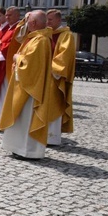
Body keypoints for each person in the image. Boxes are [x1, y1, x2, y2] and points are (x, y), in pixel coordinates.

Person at [0, 10, 63, 159]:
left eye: (28, 21)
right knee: (22, 119)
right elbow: (19, 36)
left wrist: (17, 57)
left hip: (31, 88)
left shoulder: (40, 40)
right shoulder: (35, 38)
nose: (26, 24)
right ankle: (18, 147)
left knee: (27, 119)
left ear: (33, 23)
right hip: (27, 85)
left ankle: (28, 151)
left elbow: (30, 64)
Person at [47, 9, 76, 145]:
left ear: (59, 20)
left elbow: (64, 56)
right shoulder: (47, 33)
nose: (47, 22)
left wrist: (52, 68)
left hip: (55, 76)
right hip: (45, 76)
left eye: (50, 20)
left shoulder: (66, 36)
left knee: (54, 104)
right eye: (46, 19)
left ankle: (52, 137)